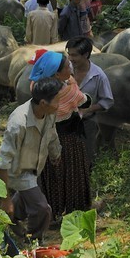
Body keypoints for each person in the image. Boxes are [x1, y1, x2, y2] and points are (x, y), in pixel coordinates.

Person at [0, 77, 63, 243]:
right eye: (56, 101)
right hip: (18, 172)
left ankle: (9, 217)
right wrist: (5, 199)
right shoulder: (19, 123)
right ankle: (33, 239)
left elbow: (52, 135)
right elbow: (2, 162)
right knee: (42, 208)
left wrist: (56, 154)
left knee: (25, 201)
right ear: (42, 103)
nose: (59, 105)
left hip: (34, 168)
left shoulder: (49, 114)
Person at [36, 50, 92, 222]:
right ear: (57, 73)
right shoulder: (66, 89)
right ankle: (76, 208)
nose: (71, 66)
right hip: (69, 138)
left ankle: (53, 212)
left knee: (52, 175)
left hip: (46, 138)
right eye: (67, 65)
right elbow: (85, 101)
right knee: (73, 171)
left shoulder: (39, 87)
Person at [66, 37, 114, 163]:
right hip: (61, 121)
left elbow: (107, 101)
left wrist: (89, 109)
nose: (70, 58)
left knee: (86, 157)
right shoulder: (64, 70)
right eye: (69, 54)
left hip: (86, 123)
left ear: (86, 54)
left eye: (74, 55)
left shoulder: (99, 76)